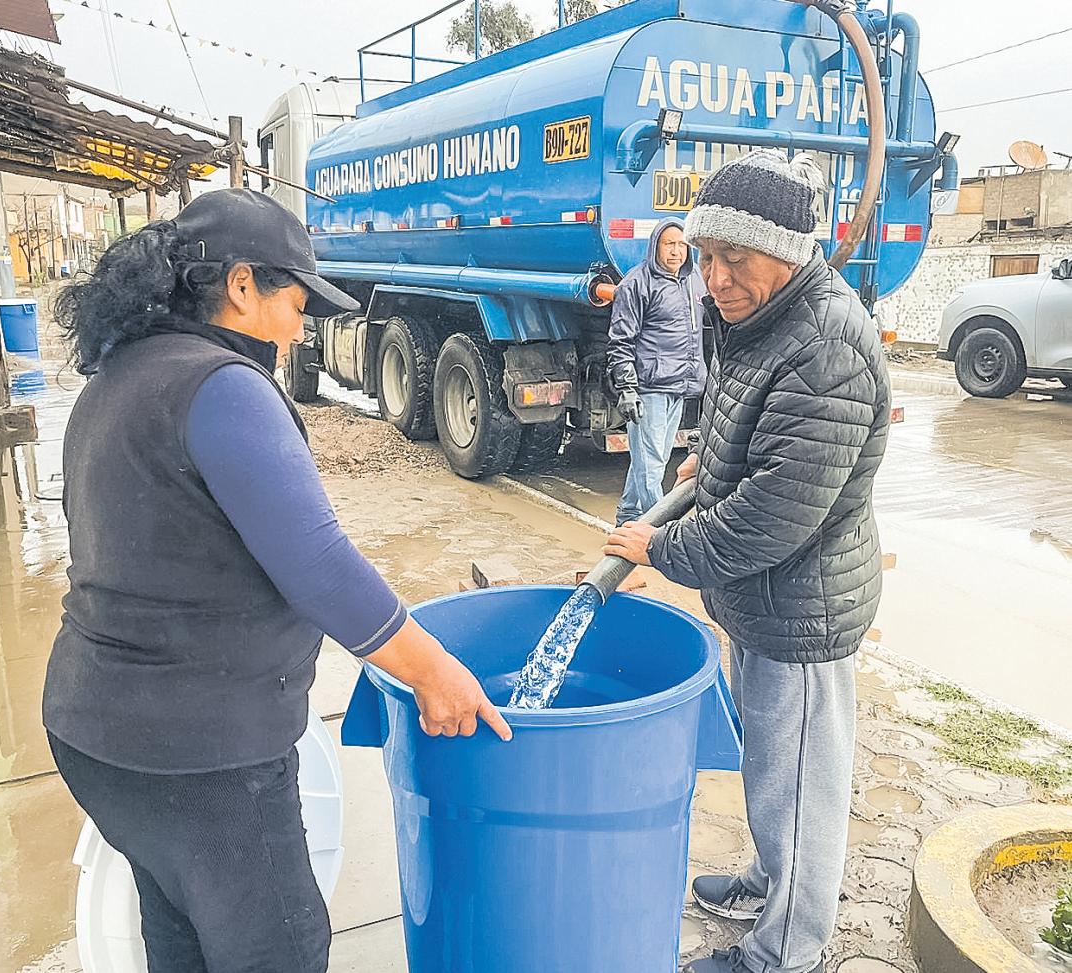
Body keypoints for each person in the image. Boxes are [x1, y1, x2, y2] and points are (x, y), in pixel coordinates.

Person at [43, 188, 511, 973]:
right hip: (201, 756)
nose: (301, 328)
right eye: (295, 302)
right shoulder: (222, 387)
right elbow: (320, 567)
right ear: (240, 285)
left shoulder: (118, 376)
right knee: (277, 949)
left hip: (96, 734)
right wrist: (436, 673)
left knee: (183, 935)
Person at [603, 151, 891, 973]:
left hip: (801, 606)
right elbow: (759, 440)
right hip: (763, 600)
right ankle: (769, 879)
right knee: (770, 765)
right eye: (704, 255)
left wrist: (660, 546)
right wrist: (710, 463)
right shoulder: (764, 315)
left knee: (799, 787)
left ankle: (785, 951)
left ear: (788, 251)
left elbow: (773, 516)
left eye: (734, 257)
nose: (714, 277)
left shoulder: (825, 345)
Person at [607, 217, 707, 525]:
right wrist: (627, 388)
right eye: (669, 244)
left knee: (653, 460)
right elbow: (621, 341)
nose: (676, 251)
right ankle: (659, 529)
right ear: (655, 247)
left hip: (680, 385)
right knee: (650, 465)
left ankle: (627, 517)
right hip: (649, 388)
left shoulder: (695, 279)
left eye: (681, 245)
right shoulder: (636, 284)